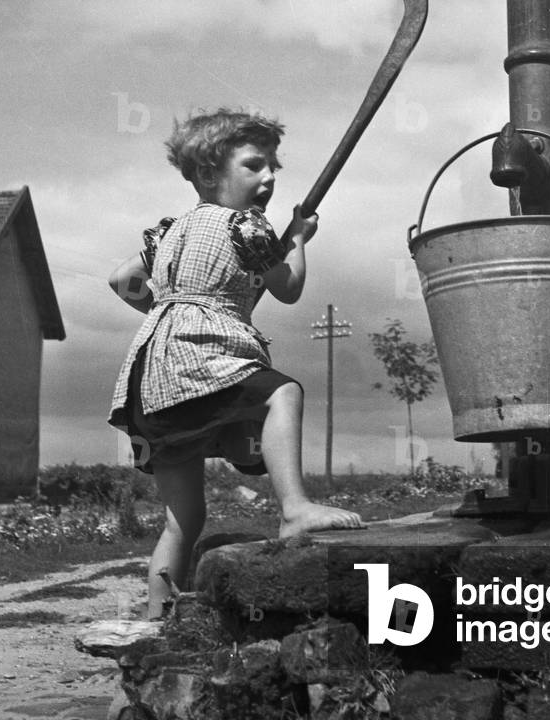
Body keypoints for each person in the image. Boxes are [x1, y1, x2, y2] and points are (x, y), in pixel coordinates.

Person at [107, 108, 364, 620]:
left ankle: (158, 621)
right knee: (283, 393)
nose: (268, 177)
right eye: (253, 165)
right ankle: (294, 509)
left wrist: (167, 309)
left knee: (183, 520)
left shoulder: (169, 230)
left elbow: (121, 280)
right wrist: (296, 238)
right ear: (208, 174)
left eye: (272, 166)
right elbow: (288, 288)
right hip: (200, 358)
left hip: (151, 379)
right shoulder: (247, 226)